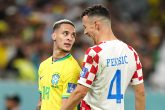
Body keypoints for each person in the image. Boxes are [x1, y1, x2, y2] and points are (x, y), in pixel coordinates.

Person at [61, 5, 145, 110]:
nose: (85, 32)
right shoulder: (131, 52)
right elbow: (140, 92)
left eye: (85, 27)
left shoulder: (95, 53)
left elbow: (80, 92)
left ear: (96, 25)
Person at [37, 19, 81, 110]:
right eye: (65, 33)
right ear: (54, 36)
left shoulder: (72, 68)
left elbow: (67, 106)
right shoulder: (43, 65)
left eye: (73, 35)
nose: (70, 38)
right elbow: (41, 101)